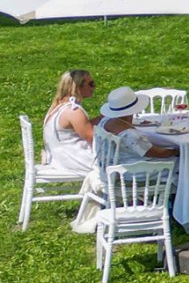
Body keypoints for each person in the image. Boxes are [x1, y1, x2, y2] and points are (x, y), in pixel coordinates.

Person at [71, 87, 179, 234]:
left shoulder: (105, 122)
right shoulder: (129, 134)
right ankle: (184, 210)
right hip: (130, 175)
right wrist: (176, 151)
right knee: (182, 164)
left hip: (110, 168)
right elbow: (155, 153)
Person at [43, 69, 99, 176]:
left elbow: (81, 127)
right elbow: (93, 138)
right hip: (74, 160)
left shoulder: (58, 106)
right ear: (78, 87)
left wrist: (102, 117)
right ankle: (125, 191)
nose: (94, 87)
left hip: (59, 158)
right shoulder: (73, 111)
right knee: (125, 159)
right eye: (91, 84)